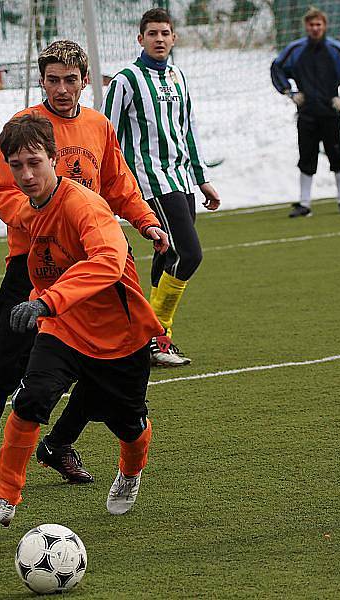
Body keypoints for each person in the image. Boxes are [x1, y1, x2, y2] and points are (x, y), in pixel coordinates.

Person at [0, 40, 168, 501]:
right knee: (6, 368)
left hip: (88, 268)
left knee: (96, 363)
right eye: (53, 79)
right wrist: (43, 218)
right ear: (41, 81)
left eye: (71, 79)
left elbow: (119, 186)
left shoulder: (98, 126)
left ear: (85, 81)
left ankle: (60, 444)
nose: (62, 88)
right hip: (34, 268)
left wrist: (146, 221)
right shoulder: (24, 128)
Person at [103, 7, 221, 368]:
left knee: (167, 255)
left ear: (174, 38)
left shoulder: (178, 77)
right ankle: (155, 334)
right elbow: (106, 134)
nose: (159, 39)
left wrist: (202, 177)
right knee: (189, 254)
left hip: (182, 179)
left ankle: (150, 342)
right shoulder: (126, 80)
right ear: (140, 39)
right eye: (152, 33)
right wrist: (106, 185)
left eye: (164, 33)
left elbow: (188, 129)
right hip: (150, 181)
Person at [270, 6, 340, 218]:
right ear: (306, 26)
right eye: (311, 25)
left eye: (318, 24)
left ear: (324, 26)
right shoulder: (296, 50)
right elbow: (276, 68)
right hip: (306, 113)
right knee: (306, 156)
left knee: (336, 154)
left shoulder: (336, 50)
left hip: (330, 112)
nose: (315, 28)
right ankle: (305, 203)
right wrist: (290, 93)